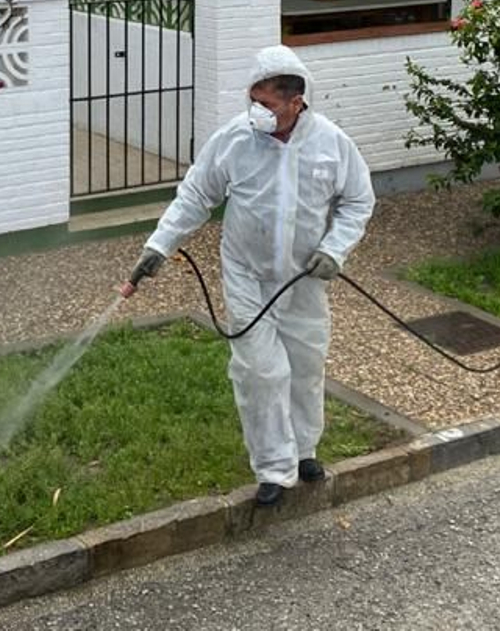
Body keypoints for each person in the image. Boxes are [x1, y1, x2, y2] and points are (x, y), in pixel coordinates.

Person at [129, 45, 374, 506]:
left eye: (267, 103)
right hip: (248, 275)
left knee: (304, 366)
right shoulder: (235, 140)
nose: (257, 112)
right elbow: (195, 195)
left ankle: (304, 451)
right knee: (261, 372)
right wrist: (159, 246)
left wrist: (334, 249)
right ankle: (273, 469)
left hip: (304, 277)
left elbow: (358, 201)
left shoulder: (331, 144)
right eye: (253, 100)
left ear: (295, 101)